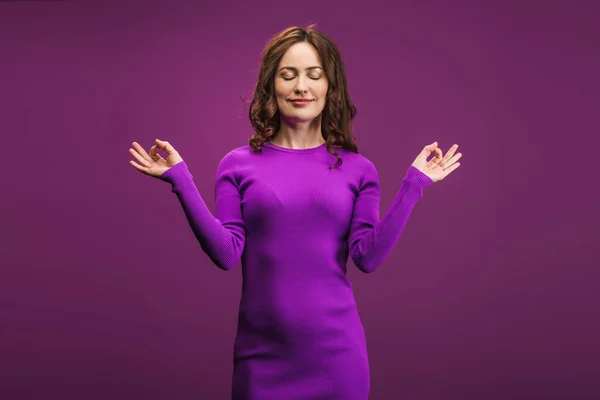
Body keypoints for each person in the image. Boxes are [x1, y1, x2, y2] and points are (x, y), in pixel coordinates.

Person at [128, 24, 461, 400]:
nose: (301, 86)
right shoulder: (236, 165)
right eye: (288, 75)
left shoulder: (359, 169)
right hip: (261, 357)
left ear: (328, 87)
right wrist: (180, 179)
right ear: (272, 86)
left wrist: (414, 183)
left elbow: (368, 258)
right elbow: (226, 253)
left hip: (337, 358)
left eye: (313, 75)